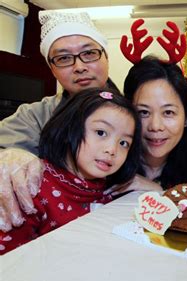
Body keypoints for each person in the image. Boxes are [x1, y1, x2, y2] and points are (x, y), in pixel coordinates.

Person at [0, 11, 117, 232]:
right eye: (64, 58)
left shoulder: (133, 112)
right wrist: (8, 155)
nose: (79, 66)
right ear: (52, 68)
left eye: (89, 53)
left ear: (106, 57)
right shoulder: (35, 116)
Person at [0, 88, 141, 254]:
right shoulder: (31, 186)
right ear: (69, 129)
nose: (112, 149)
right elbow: (10, 266)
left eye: (124, 143)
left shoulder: (112, 189)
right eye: (101, 132)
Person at [120, 55, 187, 191]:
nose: (155, 126)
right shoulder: (108, 169)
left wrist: (158, 191)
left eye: (168, 112)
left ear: (186, 118)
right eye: (143, 112)